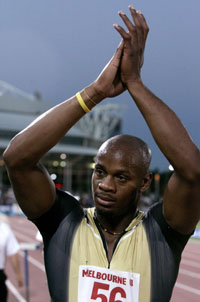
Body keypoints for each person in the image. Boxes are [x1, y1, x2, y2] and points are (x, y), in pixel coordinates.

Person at [3, 5, 200, 302]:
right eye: (100, 171)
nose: (105, 185)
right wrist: (95, 92)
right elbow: (16, 158)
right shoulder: (63, 222)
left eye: (121, 177)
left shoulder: (162, 232)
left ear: (145, 183)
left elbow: (193, 170)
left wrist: (134, 83)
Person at [0, 214, 23, 302]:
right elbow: (13, 252)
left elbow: (12, 252)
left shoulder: (4, 228)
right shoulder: (3, 228)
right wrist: (18, 274)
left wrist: (18, 274)